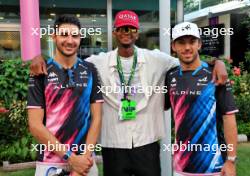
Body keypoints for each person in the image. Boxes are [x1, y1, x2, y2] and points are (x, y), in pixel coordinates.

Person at [29, 10, 228, 176]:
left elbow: (189, 60)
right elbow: (66, 59)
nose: (127, 32)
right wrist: (39, 57)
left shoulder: (157, 59)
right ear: (115, 32)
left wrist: (216, 63)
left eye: (131, 28)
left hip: (147, 143)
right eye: (122, 28)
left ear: (137, 32)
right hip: (113, 144)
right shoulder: (96, 63)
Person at [27, 15, 103, 176]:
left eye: (75, 35)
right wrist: (70, 158)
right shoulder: (40, 72)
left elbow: (97, 118)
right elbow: (35, 125)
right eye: (64, 34)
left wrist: (83, 159)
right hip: (49, 164)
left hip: (85, 163)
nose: (70, 40)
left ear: (80, 38)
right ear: (54, 37)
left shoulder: (91, 70)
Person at [165, 22, 238, 176]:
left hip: (213, 166)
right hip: (181, 166)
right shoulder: (170, 76)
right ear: (173, 46)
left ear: (199, 44)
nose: (187, 47)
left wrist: (231, 160)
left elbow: (229, 118)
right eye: (181, 42)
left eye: (192, 42)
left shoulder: (215, 74)